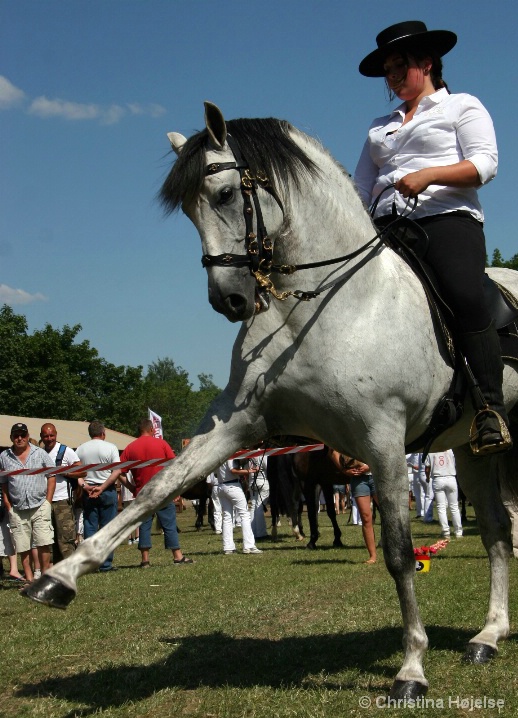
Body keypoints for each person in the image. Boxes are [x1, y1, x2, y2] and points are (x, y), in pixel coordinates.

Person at [355, 20, 511, 455]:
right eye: (387, 70)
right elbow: (359, 187)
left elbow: (484, 165)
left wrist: (428, 175)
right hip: (387, 228)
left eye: (399, 66)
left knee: (463, 293)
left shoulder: (461, 106)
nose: (392, 77)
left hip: (446, 220)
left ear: (426, 63)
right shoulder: (378, 126)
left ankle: (490, 409)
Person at [108, 419, 193, 567]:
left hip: (142, 492)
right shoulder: (162, 444)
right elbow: (174, 468)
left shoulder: (130, 448)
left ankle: (145, 560)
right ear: (152, 429)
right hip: (163, 491)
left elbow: (118, 472)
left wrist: (130, 486)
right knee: (169, 524)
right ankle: (177, 556)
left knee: (144, 526)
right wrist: (175, 489)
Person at [0, 422, 56, 583]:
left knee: (44, 542)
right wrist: (8, 503)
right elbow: (3, 482)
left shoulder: (40, 453)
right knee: (23, 546)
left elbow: (52, 476)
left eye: (22, 435)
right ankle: (29, 579)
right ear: (11, 437)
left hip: (40, 505)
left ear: (27, 436)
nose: (19, 438)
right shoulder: (4, 456)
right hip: (17, 508)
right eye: (16, 435)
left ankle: (45, 576)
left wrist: (48, 501)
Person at [75, 420, 122, 572]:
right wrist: (102, 487)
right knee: (108, 528)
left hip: (88, 492)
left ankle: (91, 563)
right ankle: (106, 564)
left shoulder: (80, 449)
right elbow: (117, 471)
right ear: (103, 433)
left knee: (90, 526)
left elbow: (77, 473)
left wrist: (85, 486)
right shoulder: (111, 447)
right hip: (106, 490)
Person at [40, 423, 85, 562]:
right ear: (41, 436)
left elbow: (83, 471)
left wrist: (65, 471)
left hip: (62, 501)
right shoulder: (39, 453)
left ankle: (70, 568)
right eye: (46, 436)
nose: (49, 438)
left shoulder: (65, 451)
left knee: (65, 539)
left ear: (56, 434)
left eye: (51, 435)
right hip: (43, 501)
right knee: (49, 540)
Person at [331, 451, 379, 564]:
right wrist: (344, 470)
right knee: (366, 518)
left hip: (378, 474)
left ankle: (399, 549)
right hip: (359, 479)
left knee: (389, 515)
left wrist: (370, 465)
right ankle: (372, 556)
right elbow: (333, 452)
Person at [214, 458, 262, 555]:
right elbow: (233, 470)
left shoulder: (219, 456)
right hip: (232, 486)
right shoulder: (230, 456)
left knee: (227, 517)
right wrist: (249, 471)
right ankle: (249, 546)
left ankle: (228, 547)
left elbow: (216, 473)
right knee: (245, 515)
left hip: (221, 485)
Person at [425, 449, 462, 538]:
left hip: (438, 478)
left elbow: (427, 468)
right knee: (454, 506)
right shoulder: (451, 450)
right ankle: (458, 531)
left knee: (441, 507)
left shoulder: (431, 451)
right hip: (451, 477)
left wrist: (427, 477)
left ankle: (445, 531)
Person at [248, 452, 270, 539]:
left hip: (252, 481)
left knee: (253, 507)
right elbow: (268, 467)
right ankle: (261, 533)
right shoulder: (262, 454)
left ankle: (253, 531)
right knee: (259, 507)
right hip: (262, 480)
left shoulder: (248, 455)